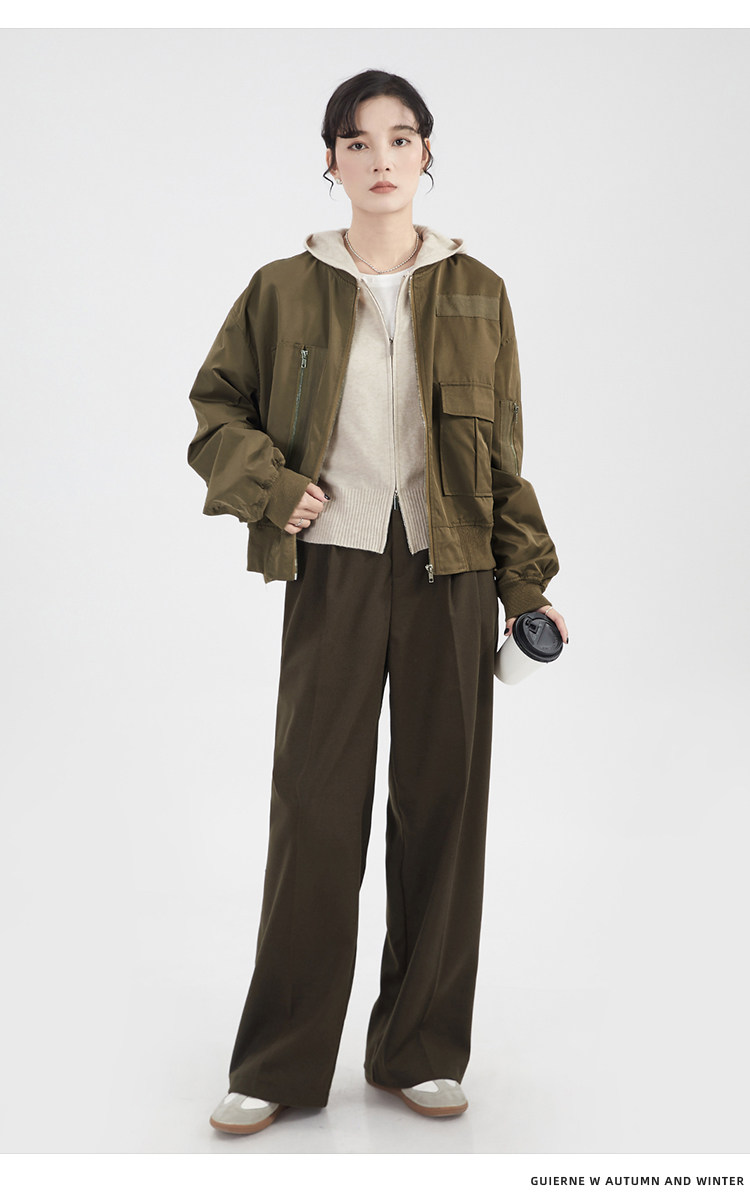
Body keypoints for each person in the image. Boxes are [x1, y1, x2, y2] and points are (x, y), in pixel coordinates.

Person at [186, 69, 569, 1136]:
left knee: (443, 810)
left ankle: (420, 1048)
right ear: (332, 161)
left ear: (426, 153)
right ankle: (278, 1061)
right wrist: (274, 488)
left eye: (401, 139)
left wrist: (529, 585)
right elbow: (214, 413)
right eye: (358, 143)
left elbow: (501, 457)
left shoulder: (479, 289)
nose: (382, 159)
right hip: (335, 568)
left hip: (455, 572)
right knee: (314, 812)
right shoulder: (282, 288)